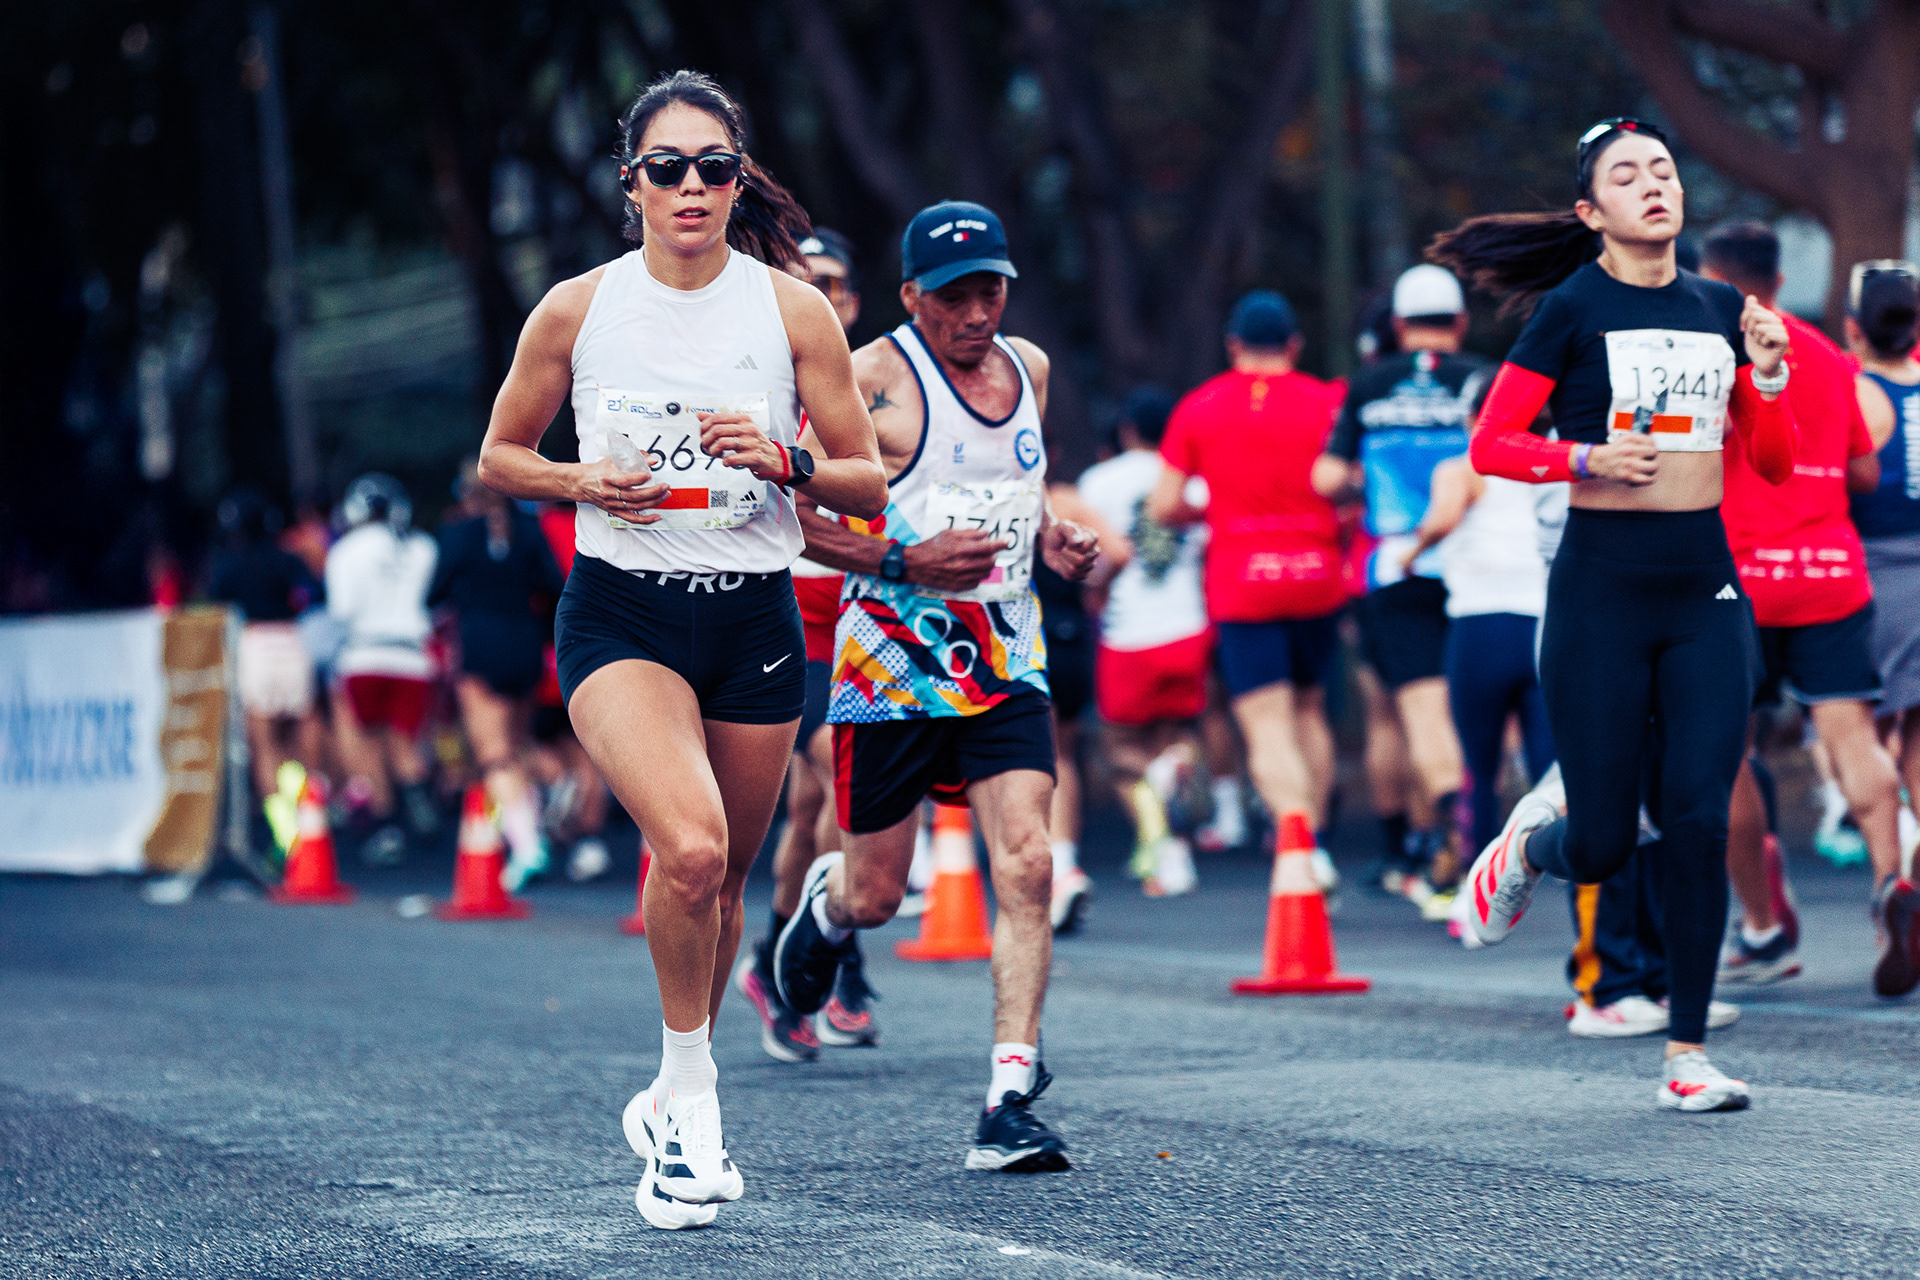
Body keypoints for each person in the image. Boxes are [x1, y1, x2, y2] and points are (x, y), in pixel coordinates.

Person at [474, 70, 887, 1230]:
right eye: (669, 168)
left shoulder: (793, 310)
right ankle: (692, 1110)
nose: (692, 186)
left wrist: (783, 460)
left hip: (753, 618)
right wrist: (580, 480)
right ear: (633, 184)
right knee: (691, 848)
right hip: (624, 614)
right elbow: (498, 455)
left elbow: (868, 483)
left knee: (724, 882)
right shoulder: (578, 309)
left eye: (714, 166)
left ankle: (665, 1094)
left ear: (737, 180)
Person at [1433, 117, 1795, 1111]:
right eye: (1627, 176)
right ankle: (1527, 848)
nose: (1654, 185)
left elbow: (1771, 462)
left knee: (1697, 818)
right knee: (1600, 843)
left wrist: (1768, 374)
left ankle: (1687, 1054)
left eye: (1665, 170)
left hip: (1704, 589)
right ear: (1592, 212)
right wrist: (1583, 457)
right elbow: (1492, 442)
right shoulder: (1573, 307)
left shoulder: (1720, 307)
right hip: (1600, 592)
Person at [771, 198, 1097, 1173]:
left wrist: (1053, 537)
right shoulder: (868, 380)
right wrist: (907, 563)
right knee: (876, 893)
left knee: (1028, 862)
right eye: (954, 296)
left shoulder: (1029, 368)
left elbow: (1022, 487)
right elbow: (791, 520)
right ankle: (826, 908)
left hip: (1005, 658)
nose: (976, 313)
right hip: (892, 668)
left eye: (990, 290)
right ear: (912, 295)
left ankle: (1009, 1097)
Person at [1699, 226, 1905, 992]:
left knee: (1724, 754)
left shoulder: (1708, 352)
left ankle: (1761, 929)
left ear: (1710, 277)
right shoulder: (1825, 353)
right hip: (1830, 574)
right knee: (1853, 738)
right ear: (1779, 280)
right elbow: (1863, 470)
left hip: (1738, 580)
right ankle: (1891, 887)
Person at [736, 226, 877, 1064]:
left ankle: (777, 963)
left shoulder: (879, 383)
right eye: (800, 280)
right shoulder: (754, 379)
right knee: (834, 767)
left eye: (829, 282)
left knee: (810, 809)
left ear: (850, 301)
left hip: (867, 615)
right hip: (786, 612)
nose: (815, 295)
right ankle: (834, 956)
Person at [1149, 292, 1346, 851]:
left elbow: (1163, 504)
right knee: (1310, 710)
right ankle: (1319, 839)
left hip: (1242, 581)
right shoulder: (1329, 401)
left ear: (1233, 345)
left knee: (1267, 723)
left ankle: (1298, 845)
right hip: (1317, 576)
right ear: (1294, 346)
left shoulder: (1200, 405)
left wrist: (1212, 511)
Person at [1313, 264, 1483, 907]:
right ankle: (1480, 835)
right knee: (1483, 716)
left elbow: (1326, 478)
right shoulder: (1485, 379)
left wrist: (1369, 478)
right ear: (1461, 321)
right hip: (1479, 566)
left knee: (1422, 714)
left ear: (1400, 325)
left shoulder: (1369, 385)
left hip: (1399, 567)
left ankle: (1444, 830)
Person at [1399, 384, 1556, 861]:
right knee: (1549, 763)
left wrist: (1413, 553)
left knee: (1479, 766)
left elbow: (1443, 518)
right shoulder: (1556, 464)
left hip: (1481, 628)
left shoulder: (1463, 467)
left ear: (1474, 418)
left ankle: (1478, 873)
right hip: (1543, 625)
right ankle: (1565, 869)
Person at [1079, 386, 1213, 898]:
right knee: (1178, 736)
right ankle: (1172, 835)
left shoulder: (1098, 482)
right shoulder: (1193, 482)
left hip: (1127, 632)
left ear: (1127, 431)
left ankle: (1158, 841)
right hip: (1188, 625)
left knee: (1120, 750)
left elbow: (1095, 555)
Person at [429, 463, 568, 889]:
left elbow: (434, 592)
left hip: (480, 646)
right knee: (520, 744)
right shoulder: (529, 530)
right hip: (525, 645)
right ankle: (559, 784)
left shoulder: (458, 534)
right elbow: (555, 586)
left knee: (494, 755)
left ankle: (527, 846)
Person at [1847, 258, 1920, 996]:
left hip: (1873, 576)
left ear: (1853, 329)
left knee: (1860, 736)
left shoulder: (1856, 395)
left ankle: (1889, 884)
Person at [325, 473, 442, 866]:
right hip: (413, 658)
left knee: (368, 744)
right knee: (406, 744)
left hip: (365, 655)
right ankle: (417, 798)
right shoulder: (422, 547)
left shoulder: (346, 550)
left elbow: (342, 610)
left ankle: (386, 824)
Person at [206, 488, 325, 833]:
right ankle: (309, 817)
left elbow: (215, 605)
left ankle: (284, 831)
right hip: (291, 642)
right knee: (300, 732)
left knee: (265, 743)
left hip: (255, 645)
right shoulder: (287, 559)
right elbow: (314, 594)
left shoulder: (228, 563)